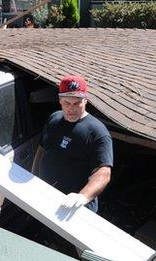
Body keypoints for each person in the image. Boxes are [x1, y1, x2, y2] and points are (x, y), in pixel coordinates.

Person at [32, 75, 113, 213]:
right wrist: (33, 177)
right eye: (67, 103)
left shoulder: (97, 132)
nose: (71, 108)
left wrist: (82, 197)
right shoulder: (54, 118)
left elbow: (103, 172)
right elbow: (42, 149)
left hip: (76, 208)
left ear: (85, 100)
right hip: (48, 197)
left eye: (77, 103)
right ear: (60, 100)